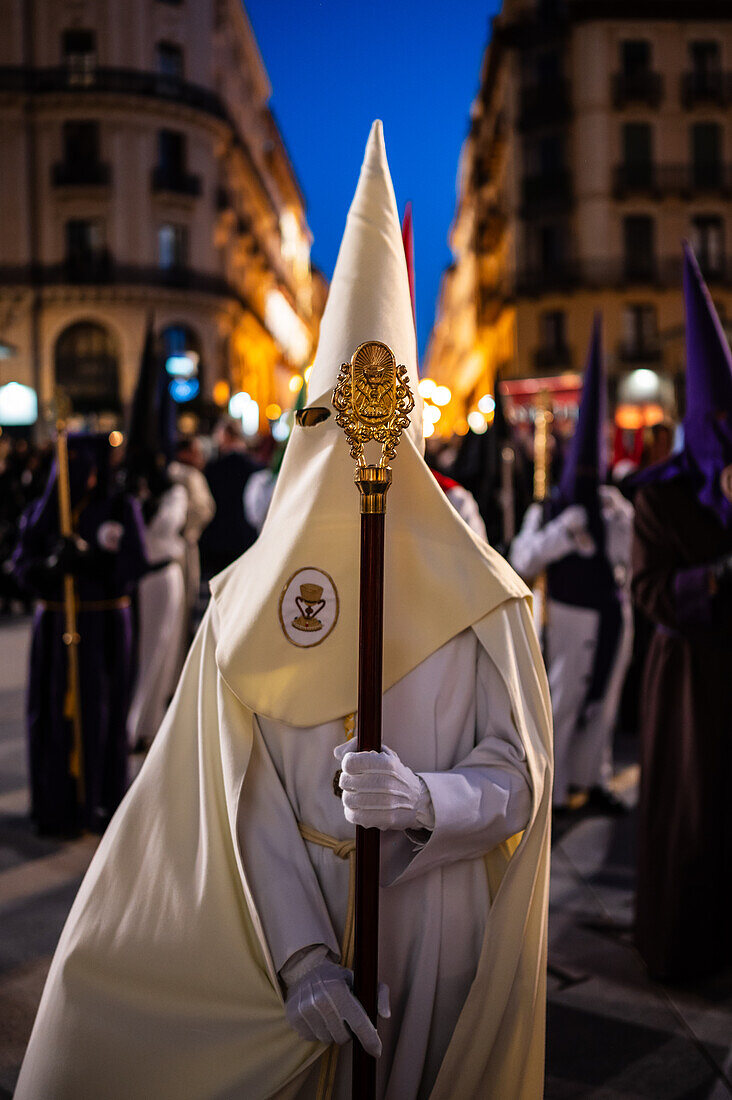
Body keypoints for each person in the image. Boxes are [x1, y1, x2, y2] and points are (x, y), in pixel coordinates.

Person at [15, 121, 552, 1100]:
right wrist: (304, 952)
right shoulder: (244, 602)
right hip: (287, 920)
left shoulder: (483, 592)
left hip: (432, 926)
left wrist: (432, 798)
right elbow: (237, 787)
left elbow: (516, 776)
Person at [631, 244, 732, 981]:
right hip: (692, 680)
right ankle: (684, 949)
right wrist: (716, 577)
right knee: (695, 817)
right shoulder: (659, 497)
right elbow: (649, 592)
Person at [510, 316, 633, 813]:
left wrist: (612, 523)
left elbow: (628, 557)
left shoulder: (615, 505)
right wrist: (563, 534)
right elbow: (521, 559)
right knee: (562, 700)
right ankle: (555, 792)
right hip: (567, 613)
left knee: (605, 698)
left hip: (611, 611)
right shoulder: (549, 509)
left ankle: (593, 776)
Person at [11, 433, 147, 835]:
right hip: (56, 627)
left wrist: (93, 562)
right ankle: (59, 804)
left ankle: (101, 800)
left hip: (102, 626)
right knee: (55, 712)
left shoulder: (120, 507)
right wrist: (50, 566)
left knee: (102, 709)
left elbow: (133, 563)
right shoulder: (45, 511)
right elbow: (22, 565)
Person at [199, 418, 262, 577]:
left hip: (219, 539)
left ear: (225, 436)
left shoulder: (214, 469)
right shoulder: (256, 467)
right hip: (246, 537)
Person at [169, 436, 216, 624]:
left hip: (172, 550)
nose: (200, 457)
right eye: (196, 452)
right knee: (183, 609)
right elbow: (203, 509)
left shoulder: (171, 472)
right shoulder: (189, 476)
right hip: (183, 548)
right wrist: (187, 531)